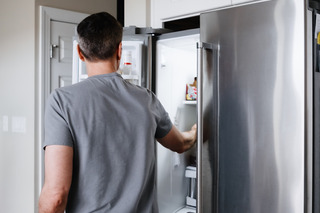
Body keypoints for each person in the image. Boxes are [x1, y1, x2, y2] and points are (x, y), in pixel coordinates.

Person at [38, 12, 197, 213]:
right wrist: (195, 131)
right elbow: (181, 144)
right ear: (120, 50)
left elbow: (55, 196)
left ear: (79, 52)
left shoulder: (61, 101)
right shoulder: (146, 99)